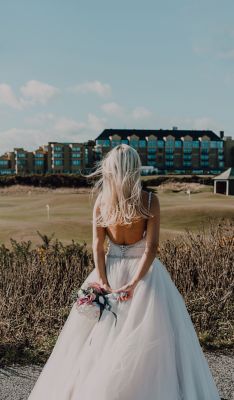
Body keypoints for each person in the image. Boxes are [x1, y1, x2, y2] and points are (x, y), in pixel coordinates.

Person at [28, 144, 221, 399]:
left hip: (110, 269)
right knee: (149, 336)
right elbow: (150, 248)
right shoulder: (150, 200)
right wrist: (134, 283)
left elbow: (98, 245)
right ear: (134, 168)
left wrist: (103, 280)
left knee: (98, 337)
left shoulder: (101, 202)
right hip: (145, 274)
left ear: (110, 169)